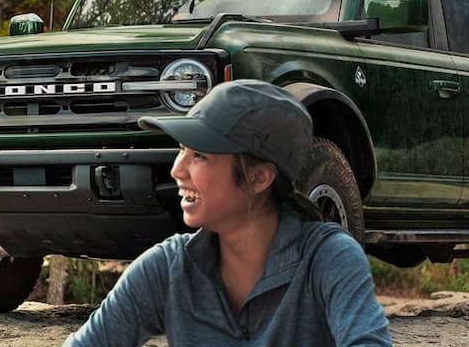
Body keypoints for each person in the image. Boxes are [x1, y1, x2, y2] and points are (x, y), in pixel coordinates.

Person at [63, 80, 391, 346]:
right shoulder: (168, 267)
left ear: (260, 177)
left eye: (201, 156)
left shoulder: (329, 258)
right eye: (182, 151)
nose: (178, 170)